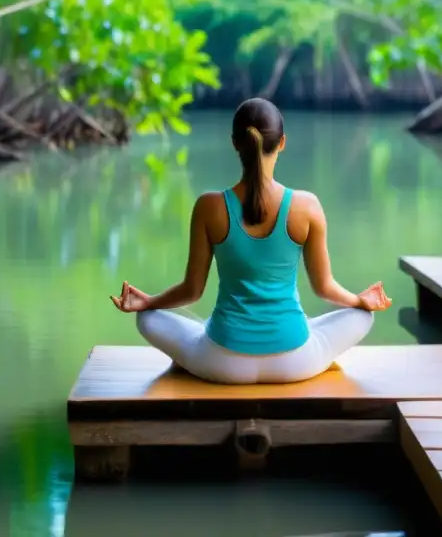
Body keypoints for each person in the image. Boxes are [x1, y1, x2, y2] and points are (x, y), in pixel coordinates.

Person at [111, 97, 393, 385]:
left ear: (235, 143)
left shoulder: (209, 207)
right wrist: (360, 301)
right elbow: (324, 288)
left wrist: (149, 302)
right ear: (282, 142)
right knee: (362, 317)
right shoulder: (306, 206)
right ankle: (294, 334)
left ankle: (204, 339)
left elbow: (192, 291)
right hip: (295, 362)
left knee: (147, 318)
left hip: (222, 361)